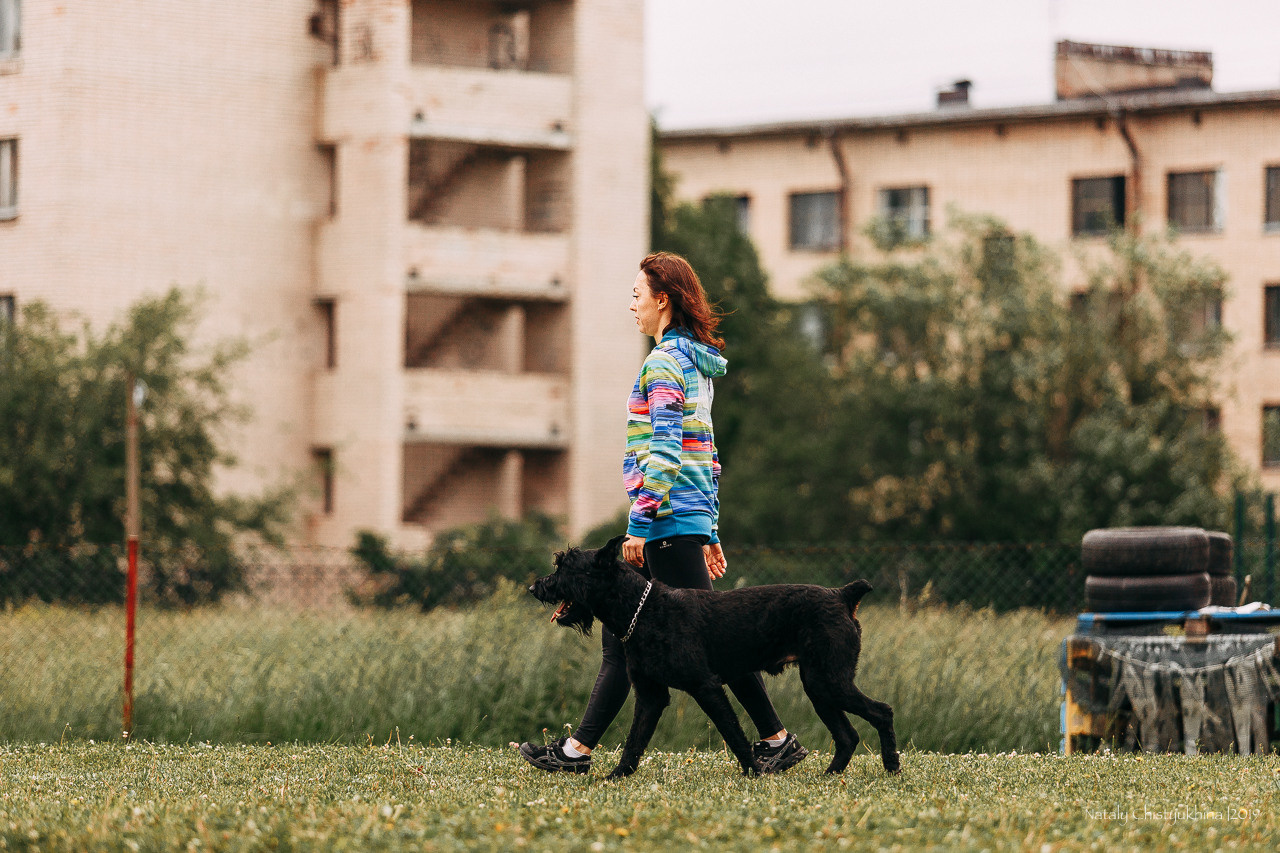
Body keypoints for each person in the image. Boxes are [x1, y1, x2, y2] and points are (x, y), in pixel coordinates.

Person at [518, 252, 806, 775]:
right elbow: (708, 453)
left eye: (636, 295)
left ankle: (776, 739)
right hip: (684, 516)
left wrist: (639, 525)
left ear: (662, 299)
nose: (631, 305)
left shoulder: (666, 363)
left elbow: (670, 451)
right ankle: (576, 752)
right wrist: (710, 527)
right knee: (622, 638)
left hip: (666, 519)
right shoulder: (693, 363)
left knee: (708, 642)